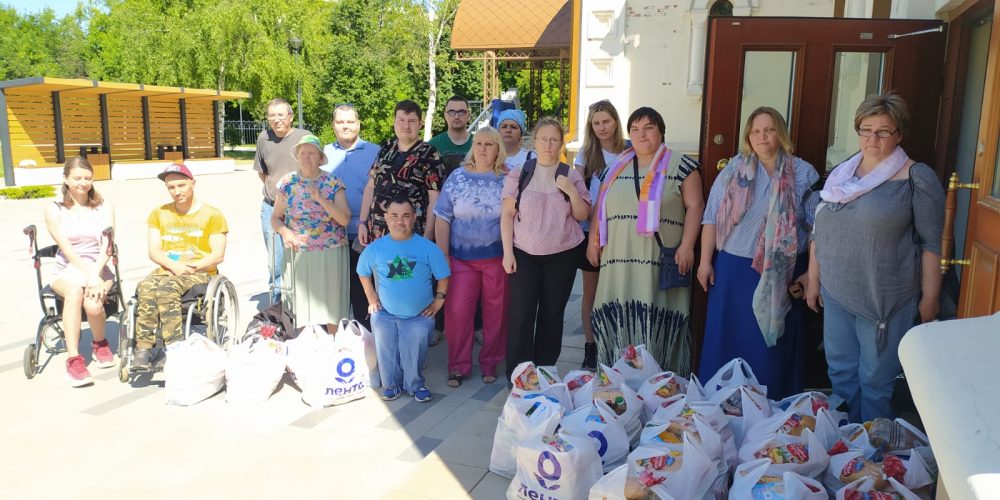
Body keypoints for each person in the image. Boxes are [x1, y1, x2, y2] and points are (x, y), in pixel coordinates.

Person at [806, 93, 944, 422]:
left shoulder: (916, 178)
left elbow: (931, 242)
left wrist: (931, 297)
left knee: (876, 379)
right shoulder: (842, 175)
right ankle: (848, 450)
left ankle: (873, 451)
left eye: (883, 131)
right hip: (837, 291)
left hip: (885, 298)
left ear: (899, 134)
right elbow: (820, 231)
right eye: (865, 129)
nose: (872, 138)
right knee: (840, 371)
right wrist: (813, 280)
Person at [697, 107, 819, 399]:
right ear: (747, 137)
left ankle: (770, 409)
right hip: (731, 271)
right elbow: (711, 217)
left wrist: (812, 274)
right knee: (726, 342)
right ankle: (721, 406)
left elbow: (818, 228)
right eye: (755, 131)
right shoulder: (733, 170)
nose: (762, 136)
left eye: (769, 129)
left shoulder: (803, 172)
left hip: (781, 273)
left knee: (770, 349)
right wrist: (704, 262)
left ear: (781, 132)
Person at [587, 107, 704, 373]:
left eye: (649, 127)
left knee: (654, 319)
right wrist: (592, 240)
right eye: (635, 129)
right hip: (617, 261)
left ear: (661, 131)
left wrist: (687, 246)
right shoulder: (615, 167)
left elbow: (696, 206)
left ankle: (662, 383)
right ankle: (618, 378)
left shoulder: (681, 165)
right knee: (618, 315)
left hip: (657, 263)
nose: (641, 134)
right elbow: (600, 207)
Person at [501, 117, 592, 382]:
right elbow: (507, 215)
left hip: (561, 255)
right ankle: (518, 376)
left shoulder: (570, 174)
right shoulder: (520, 173)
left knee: (552, 315)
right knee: (521, 314)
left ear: (561, 143)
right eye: (544, 139)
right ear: (534, 142)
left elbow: (582, 213)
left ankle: (544, 373)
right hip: (523, 253)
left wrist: (571, 192)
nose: (549, 145)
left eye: (554, 139)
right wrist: (508, 253)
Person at [132, 163, 228, 370]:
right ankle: (143, 347)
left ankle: (174, 347)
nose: (177, 192)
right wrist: (172, 266)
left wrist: (191, 267)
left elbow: (217, 255)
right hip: (168, 269)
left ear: (193, 183)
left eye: (181, 185)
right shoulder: (159, 214)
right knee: (145, 287)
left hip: (200, 272)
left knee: (167, 290)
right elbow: (154, 251)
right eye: (171, 187)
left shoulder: (212, 214)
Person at [434, 126, 509, 387]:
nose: (483, 149)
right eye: (478, 143)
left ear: (498, 148)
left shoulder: (508, 178)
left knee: (496, 313)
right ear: (472, 147)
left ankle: (490, 362)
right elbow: (442, 217)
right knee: (457, 312)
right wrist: (442, 254)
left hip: (497, 259)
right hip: (460, 258)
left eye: (490, 144)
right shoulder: (457, 177)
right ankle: (458, 366)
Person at [358, 197, 450, 403]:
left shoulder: (427, 248)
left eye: (405, 216)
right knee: (386, 352)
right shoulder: (376, 248)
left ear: (414, 218)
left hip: (419, 315)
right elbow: (362, 271)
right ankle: (391, 384)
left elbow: (443, 276)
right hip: (385, 313)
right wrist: (371, 296)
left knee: (414, 354)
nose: (400, 221)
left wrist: (439, 300)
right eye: (394, 216)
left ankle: (415, 385)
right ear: (386, 218)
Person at [43, 157, 116, 386]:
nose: (83, 183)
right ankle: (73, 358)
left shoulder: (104, 206)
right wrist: (89, 275)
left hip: (100, 267)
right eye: (77, 178)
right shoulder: (54, 208)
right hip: (67, 270)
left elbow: (108, 246)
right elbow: (66, 248)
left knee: (93, 304)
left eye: (87, 178)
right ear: (65, 179)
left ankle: (100, 343)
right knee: (75, 292)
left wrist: (96, 273)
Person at [272, 134, 351, 333]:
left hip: (330, 250)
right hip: (298, 251)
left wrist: (322, 199)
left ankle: (334, 344)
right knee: (300, 303)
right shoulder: (287, 183)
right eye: (303, 153)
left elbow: (344, 219)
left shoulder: (332, 182)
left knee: (331, 302)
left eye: (312, 153)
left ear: (320, 157)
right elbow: (275, 218)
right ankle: (303, 344)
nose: (307, 157)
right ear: (297, 156)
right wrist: (284, 232)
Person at [573, 100, 627, 370]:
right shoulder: (586, 154)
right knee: (591, 292)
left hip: (622, 232)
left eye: (606, 121)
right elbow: (577, 188)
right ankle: (591, 346)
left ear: (616, 121)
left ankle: (618, 345)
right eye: (596, 123)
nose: (602, 127)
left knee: (618, 289)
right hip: (590, 232)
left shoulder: (630, 150)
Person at [322, 104, 380, 330]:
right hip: (331, 233)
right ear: (333, 125)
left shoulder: (376, 151)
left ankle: (364, 335)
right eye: (340, 122)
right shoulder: (323, 154)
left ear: (358, 124)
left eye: (349, 121)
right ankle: (338, 339)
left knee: (362, 286)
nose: (345, 126)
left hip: (364, 231)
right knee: (335, 288)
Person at [359, 99, 445, 245]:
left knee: (406, 268)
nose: (406, 125)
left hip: (411, 235)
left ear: (420, 124)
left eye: (411, 121)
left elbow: (434, 200)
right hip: (377, 233)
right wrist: (362, 222)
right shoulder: (386, 148)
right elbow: (370, 187)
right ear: (394, 122)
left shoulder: (430, 154)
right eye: (401, 120)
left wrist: (427, 238)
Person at [254, 98, 311, 303]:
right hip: (271, 208)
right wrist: (276, 191)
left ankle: (301, 301)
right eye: (272, 115)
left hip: (301, 209)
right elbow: (263, 172)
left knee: (301, 258)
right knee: (276, 261)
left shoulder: (304, 137)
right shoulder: (263, 138)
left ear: (290, 117)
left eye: (280, 115)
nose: (276, 120)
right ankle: (277, 305)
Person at [428, 95, 472, 180]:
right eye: (451, 112)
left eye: (461, 112)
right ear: (445, 115)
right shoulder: (432, 146)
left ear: (468, 115)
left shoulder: (479, 144)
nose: (456, 116)